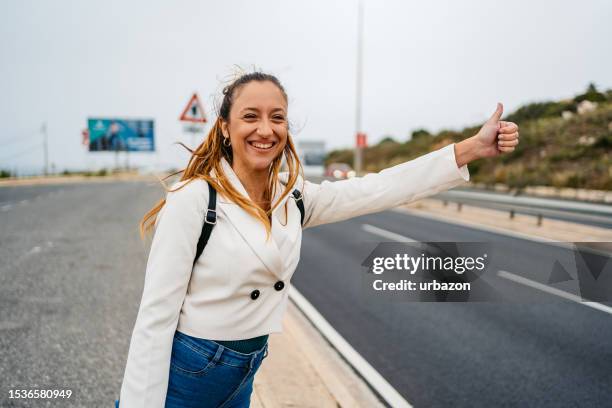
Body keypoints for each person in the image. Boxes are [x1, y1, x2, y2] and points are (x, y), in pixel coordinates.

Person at [116, 72, 519, 407]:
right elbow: (154, 320)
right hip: (189, 373)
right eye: (250, 116)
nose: (265, 129)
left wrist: (468, 150)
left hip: (243, 373)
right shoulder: (193, 200)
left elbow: (376, 189)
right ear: (225, 127)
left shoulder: (293, 198)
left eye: (277, 117)